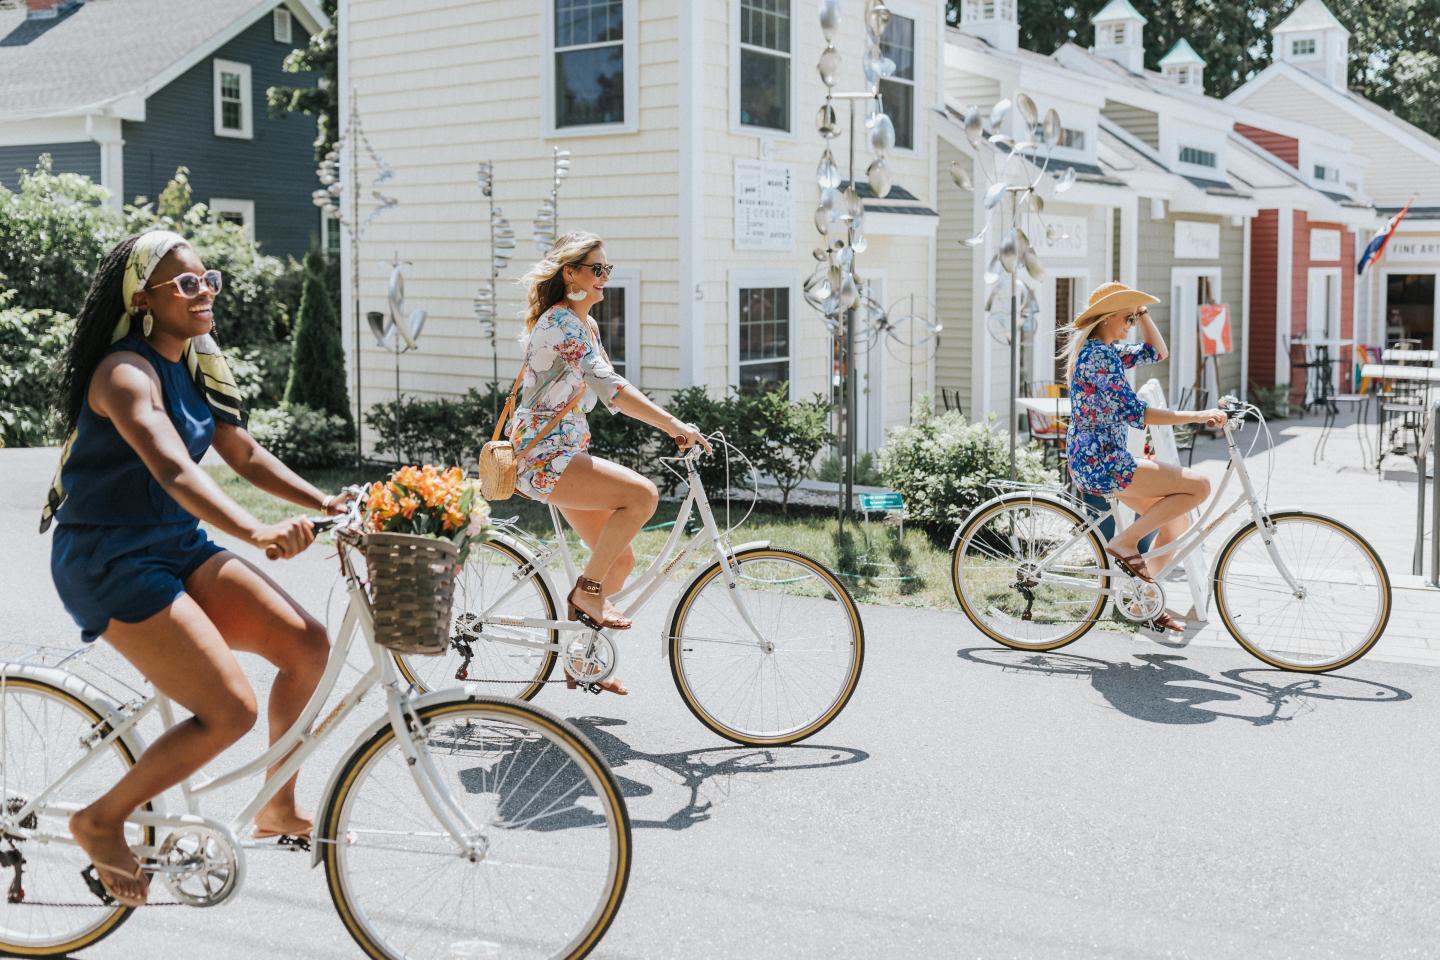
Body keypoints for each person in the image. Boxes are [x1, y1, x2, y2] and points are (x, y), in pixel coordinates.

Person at [43, 231, 345, 907]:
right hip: (109, 556)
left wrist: (330, 502)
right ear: (143, 300)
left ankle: (276, 807)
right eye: (185, 283)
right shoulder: (125, 373)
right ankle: (100, 819)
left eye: (207, 278)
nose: (204, 290)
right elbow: (172, 466)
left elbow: (241, 452)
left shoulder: (197, 362)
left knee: (307, 645)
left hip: (175, 544)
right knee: (229, 710)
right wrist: (256, 530)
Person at [510, 232, 710, 693]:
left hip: (564, 455)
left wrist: (663, 421)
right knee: (642, 495)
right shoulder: (561, 324)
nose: (605, 279)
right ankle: (586, 594)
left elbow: (610, 390)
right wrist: (673, 424)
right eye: (597, 269)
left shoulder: (586, 326)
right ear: (571, 273)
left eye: (608, 270)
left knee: (617, 561)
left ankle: (578, 661)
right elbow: (613, 390)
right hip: (543, 458)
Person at [1059, 282, 1227, 632]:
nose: (1130, 324)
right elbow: (1140, 414)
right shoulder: (1099, 358)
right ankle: (1125, 543)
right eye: (1127, 317)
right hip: (1103, 461)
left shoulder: (1107, 350)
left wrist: (1142, 310)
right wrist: (1197, 416)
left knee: (1176, 523)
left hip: (1101, 460)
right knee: (1199, 487)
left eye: (1135, 318)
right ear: (1106, 319)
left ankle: (1143, 601)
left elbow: (1158, 351)